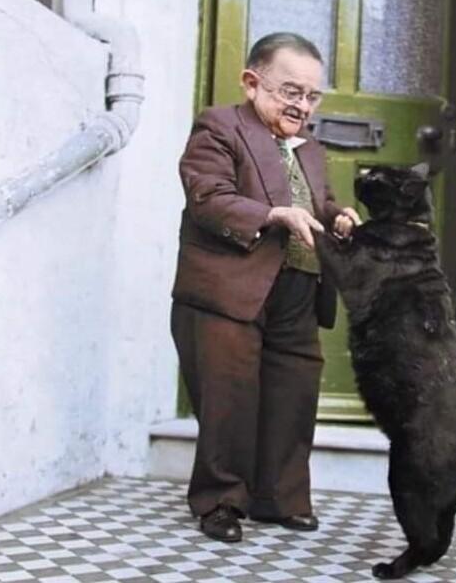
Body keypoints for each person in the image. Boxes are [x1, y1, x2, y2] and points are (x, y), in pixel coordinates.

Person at [171, 32, 360, 544]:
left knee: (292, 393)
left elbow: (316, 201)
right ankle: (220, 501)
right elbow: (208, 197)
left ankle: (279, 498)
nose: (302, 105)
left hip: (298, 286)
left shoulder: (311, 148)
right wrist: (272, 214)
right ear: (252, 82)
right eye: (290, 91)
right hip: (228, 290)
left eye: (312, 95)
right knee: (229, 396)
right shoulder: (220, 126)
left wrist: (338, 216)